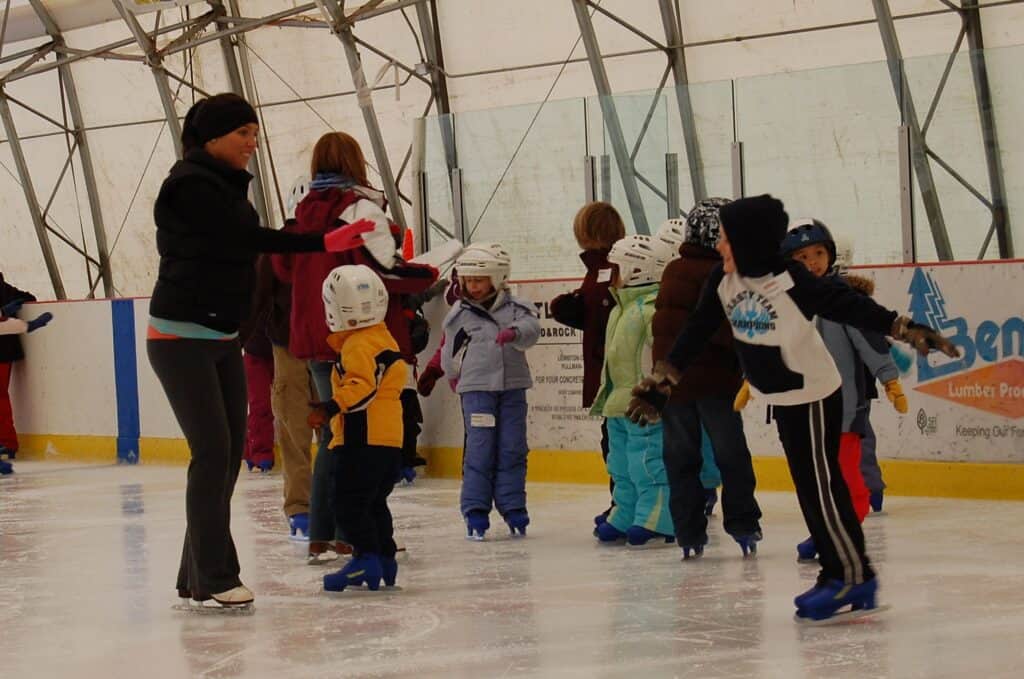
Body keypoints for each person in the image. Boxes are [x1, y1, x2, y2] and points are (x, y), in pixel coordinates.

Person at [628, 194, 958, 623]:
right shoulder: (720, 282)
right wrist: (663, 381)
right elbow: (695, 331)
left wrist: (902, 328)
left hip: (815, 394)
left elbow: (846, 303)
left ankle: (853, 577)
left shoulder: (787, 278)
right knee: (810, 489)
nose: (721, 247)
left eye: (727, 239)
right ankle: (838, 571)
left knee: (823, 488)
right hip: (782, 397)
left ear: (748, 242)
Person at [146, 93, 371, 612]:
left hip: (220, 336)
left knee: (225, 458)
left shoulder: (226, 187)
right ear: (213, 137)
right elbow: (243, 238)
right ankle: (219, 575)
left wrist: (324, 242)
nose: (253, 142)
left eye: (254, 132)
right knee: (212, 454)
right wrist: (323, 243)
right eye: (243, 133)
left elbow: (246, 240)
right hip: (179, 338)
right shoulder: (189, 185)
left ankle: (195, 575)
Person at [272, 131, 437, 564]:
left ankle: (327, 532)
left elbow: (283, 266)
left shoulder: (301, 212)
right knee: (349, 438)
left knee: (334, 433)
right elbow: (386, 271)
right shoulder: (360, 209)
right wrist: (428, 274)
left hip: (314, 335)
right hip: (358, 334)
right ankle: (346, 531)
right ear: (356, 163)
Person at [777, 219, 907, 561]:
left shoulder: (841, 301)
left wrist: (889, 379)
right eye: (802, 257)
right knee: (817, 477)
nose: (813, 262)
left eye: (819, 253)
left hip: (846, 407)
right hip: (805, 408)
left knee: (844, 471)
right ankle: (826, 530)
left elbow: (870, 341)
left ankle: (847, 526)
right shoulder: (784, 306)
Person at [651, 200, 763, 559]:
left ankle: (688, 532)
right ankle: (744, 523)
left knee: (680, 458)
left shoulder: (672, 270)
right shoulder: (724, 274)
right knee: (731, 456)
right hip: (715, 383)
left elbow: (664, 326)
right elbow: (722, 328)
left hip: (673, 383)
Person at [309, 265, 405, 592]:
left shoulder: (358, 345)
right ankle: (385, 559)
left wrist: (330, 406)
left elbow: (362, 385)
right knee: (374, 504)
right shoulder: (381, 336)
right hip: (389, 441)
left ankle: (365, 560)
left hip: (361, 441)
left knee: (348, 504)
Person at [441, 243, 540, 540]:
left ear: (497, 279)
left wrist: (515, 333)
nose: (473, 286)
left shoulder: (516, 309)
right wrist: (453, 375)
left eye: (479, 280)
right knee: (480, 449)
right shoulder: (459, 314)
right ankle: (475, 510)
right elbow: (449, 348)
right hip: (477, 390)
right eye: (468, 281)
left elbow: (532, 328)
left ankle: (513, 507)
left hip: (512, 388)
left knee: (512, 447)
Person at [591, 234, 676, 548]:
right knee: (621, 464)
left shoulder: (651, 310)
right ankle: (626, 512)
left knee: (648, 463)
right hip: (617, 401)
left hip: (643, 403)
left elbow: (663, 358)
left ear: (636, 270)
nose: (609, 273)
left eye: (615, 266)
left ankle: (658, 519)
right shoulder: (620, 308)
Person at [548, 202, 624, 525]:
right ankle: (621, 501)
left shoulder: (613, 266)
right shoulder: (596, 268)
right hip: (607, 367)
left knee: (619, 442)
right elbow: (598, 315)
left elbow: (611, 315)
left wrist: (581, 310)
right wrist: (573, 309)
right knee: (614, 440)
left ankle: (625, 502)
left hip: (615, 369)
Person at [0, 278, 52, 475]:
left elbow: (28, 298)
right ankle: (6, 442)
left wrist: (28, 325)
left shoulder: (4, 287)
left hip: (3, 351)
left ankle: (6, 442)